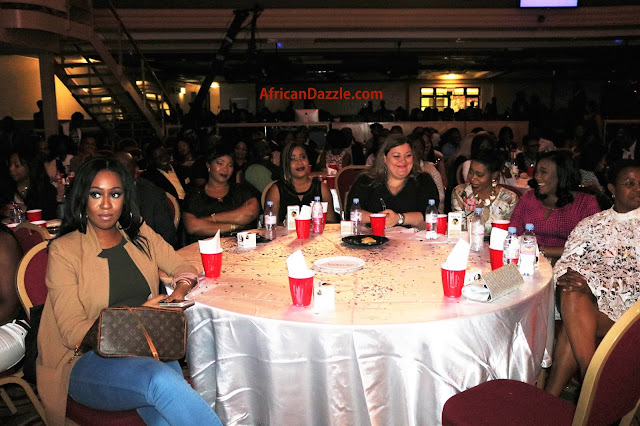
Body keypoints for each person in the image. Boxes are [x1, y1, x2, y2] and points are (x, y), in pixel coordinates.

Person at [36, 158, 221, 426]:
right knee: (161, 381)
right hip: (83, 360)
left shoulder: (138, 233)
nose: (106, 204)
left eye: (115, 194)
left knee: (165, 414)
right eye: (96, 194)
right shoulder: (64, 251)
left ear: (125, 198)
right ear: (82, 197)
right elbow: (72, 333)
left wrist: (180, 289)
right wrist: (139, 314)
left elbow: (182, 265)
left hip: (144, 348)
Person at [545, 160, 640, 397]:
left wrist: (594, 285)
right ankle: (591, 384)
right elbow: (567, 261)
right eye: (629, 183)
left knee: (574, 320)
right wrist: (574, 278)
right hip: (586, 305)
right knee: (572, 295)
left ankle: (562, 392)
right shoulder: (592, 223)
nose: (638, 189)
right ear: (612, 189)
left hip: (631, 311)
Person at [510, 151, 600, 262]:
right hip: (527, 260)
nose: (537, 177)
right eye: (537, 172)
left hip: (567, 265)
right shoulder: (529, 198)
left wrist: (540, 251)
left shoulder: (585, 203)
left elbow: (590, 245)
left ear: (562, 175)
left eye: (543, 172)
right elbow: (513, 234)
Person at [346, 135, 439, 228]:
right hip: (372, 236)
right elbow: (352, 212)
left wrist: (399, 218)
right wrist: (379, 218)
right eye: (396, 156)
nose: (403, 161)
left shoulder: (424, 180)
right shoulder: (366, 180)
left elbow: (429, 214)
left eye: (408, 155)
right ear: (385, 158)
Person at [182, 148, 259, 244]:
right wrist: (234, 226)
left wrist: (210, 219)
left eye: (230, 165)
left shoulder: (241, 190)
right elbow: (192, 227)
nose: (225, 169)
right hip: (206, 248)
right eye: (220, 163)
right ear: (208, 165)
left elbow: (250, 213)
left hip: (241, 246)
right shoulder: (195, 194)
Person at [114, 151, 177, 247]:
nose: (119, 171)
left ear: (136, 171)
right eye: (115, 166)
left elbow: (167, 237)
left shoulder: (153, 194)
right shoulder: (101, 196)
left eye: (125, 166)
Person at [266, 141, 337, 224]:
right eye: (293, 159)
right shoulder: (276, 190)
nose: (299, 162)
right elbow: (270, 225)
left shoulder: (321, 188)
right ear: (286, 164)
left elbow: (331, 224)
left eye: (303, 157)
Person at [451, 149, 519, 235]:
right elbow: (458, 228)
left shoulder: (509, 199)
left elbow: (511, 231)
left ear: (494, 175)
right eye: (470, 172)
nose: (472, 178)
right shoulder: (461, 192)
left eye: (479, 175)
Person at [7, 148, 58, 220]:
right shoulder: (7, 190)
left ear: (30, 166)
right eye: (10, 164)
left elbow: (50, 217)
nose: (11, 169)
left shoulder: (46, 190)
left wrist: (26, 210)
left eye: (17, 165)